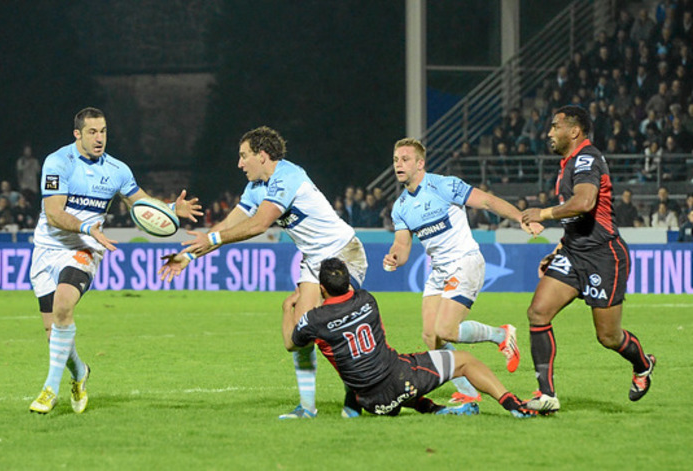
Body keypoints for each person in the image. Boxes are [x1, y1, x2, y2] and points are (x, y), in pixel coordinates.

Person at [158, 126, 369, 419]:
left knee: (336, 328)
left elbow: (259, 224)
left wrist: (213, 239)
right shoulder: (255, 189)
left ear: (262, 155)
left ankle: (354, 399)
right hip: (313, 261)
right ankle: (307, 408)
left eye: (244, 156)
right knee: (300, 336)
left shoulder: (288, 176)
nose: (239, 164)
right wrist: (187, 257)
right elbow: (228, 226)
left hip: (343, 253)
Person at [28, 107, 202, 415]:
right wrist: (86, 226)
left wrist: (171, 209)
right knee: (53, 332)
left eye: (104, 131)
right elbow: (54, 214)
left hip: (84, 248)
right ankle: (80, 372)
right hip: (47, 249)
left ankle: (49, 389)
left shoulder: (118, 170)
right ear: (77, 134)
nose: (100, 138)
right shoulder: (58, 162)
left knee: (63, 305)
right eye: (92, 132)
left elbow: (142, 203)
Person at [382, 138, 543, 412]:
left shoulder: (444, 185)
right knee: (431, 336)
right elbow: (403, 246)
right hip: (439, 270)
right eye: (396, 159)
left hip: (464, 261)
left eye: (405, 159)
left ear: (420, 164)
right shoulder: (400, 206)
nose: (399, 164)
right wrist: (394, 256)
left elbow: (488, 201)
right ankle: (469, 393)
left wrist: (520, 218)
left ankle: (500, 334)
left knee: (446, 330)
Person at [521, 105, 656, 414]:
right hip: (573, 252)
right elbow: (578, 218)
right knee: (538, 313)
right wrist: (559, 248)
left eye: (555, 127)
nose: (549, 133)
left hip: (603, 256)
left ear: (574, 131)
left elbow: (584, 202)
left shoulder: (586, 159)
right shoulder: (568, 163)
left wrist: (542, 213)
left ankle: (643, 365)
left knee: (608, 337)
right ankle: (546, 395)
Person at [282, 258, 536, 418]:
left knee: (373, 372)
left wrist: (287, 309)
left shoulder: (314, 321)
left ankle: (436, 410)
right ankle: (512, 404)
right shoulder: (367, 300)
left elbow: (290, 344)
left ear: (322, 288)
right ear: (348, 282)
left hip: (371, 402)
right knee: (465, 361)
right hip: (399, 380)